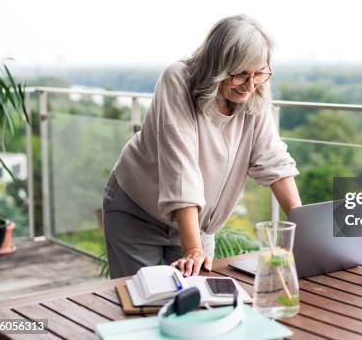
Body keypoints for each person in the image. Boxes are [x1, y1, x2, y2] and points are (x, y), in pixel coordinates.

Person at [102, 15, 302, 279]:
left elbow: (273, 160)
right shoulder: (178, 80)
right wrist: (193, 249)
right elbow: (181, 167)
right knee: (146, 301)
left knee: (200, 302)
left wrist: (305, 228)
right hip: (139, 213)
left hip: (200, 226)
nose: (251, 84)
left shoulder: (255, 93)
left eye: (259, 73)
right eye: (241, 74)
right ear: (218, 65)